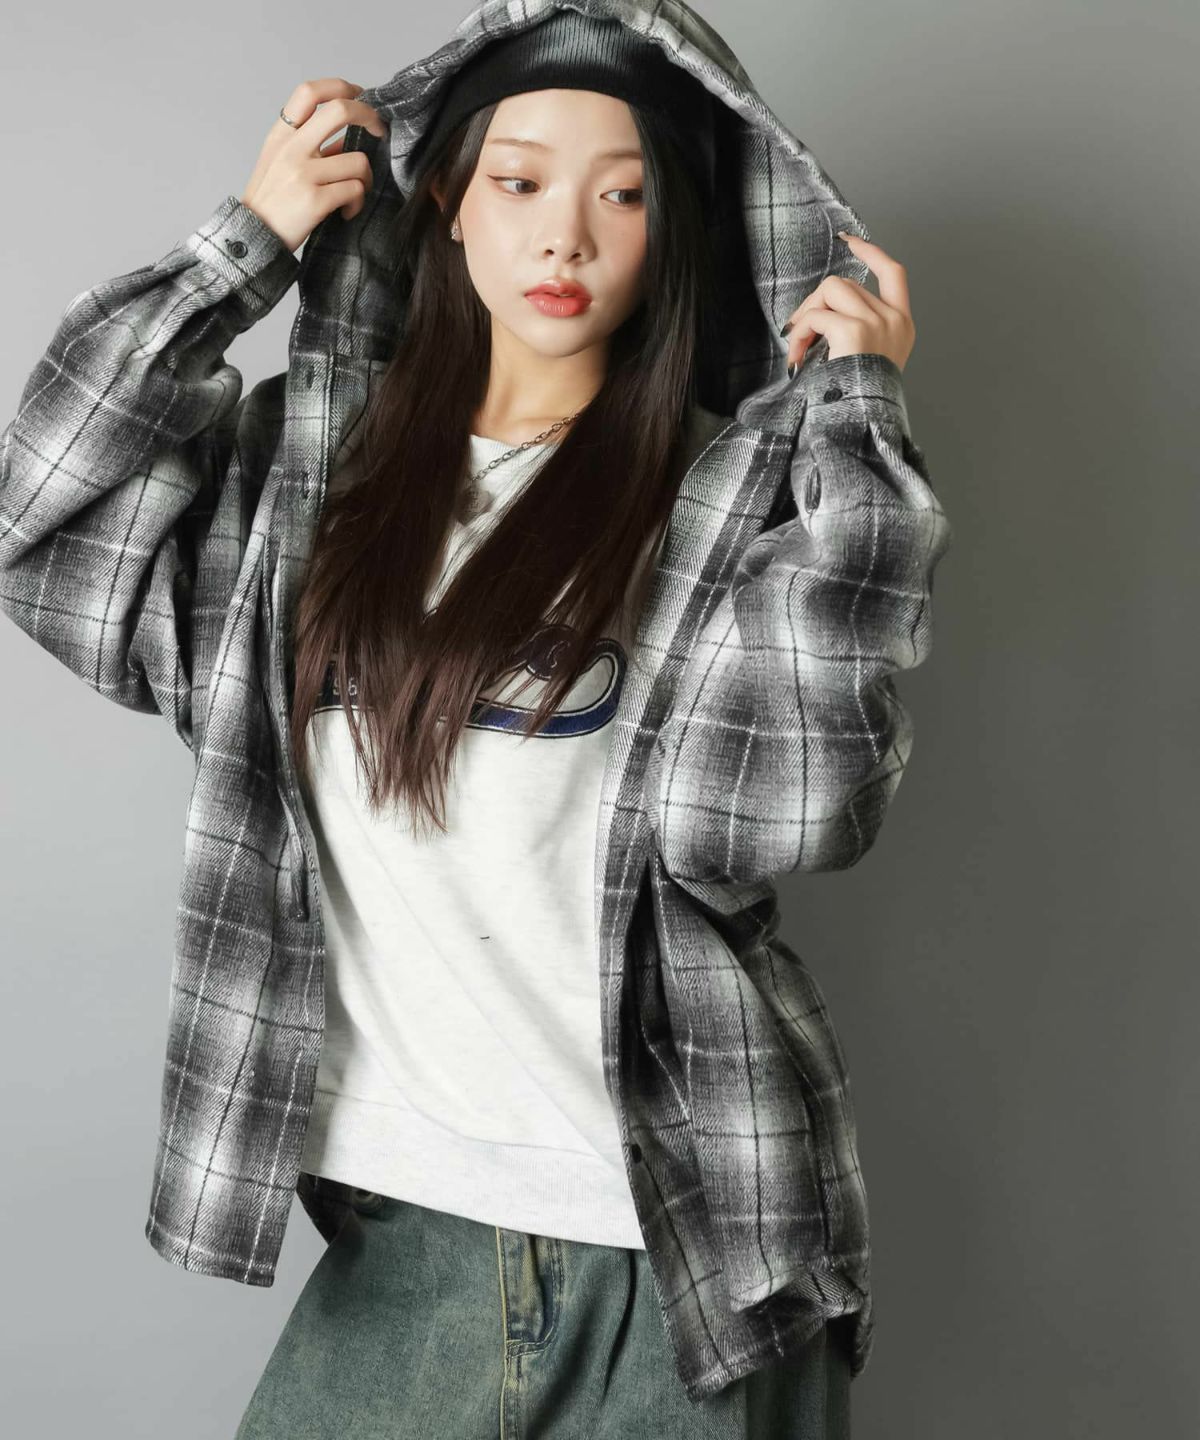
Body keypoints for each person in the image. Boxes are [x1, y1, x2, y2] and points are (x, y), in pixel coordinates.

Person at [0, 1, 952, 1435]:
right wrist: (241, 251)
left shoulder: (726, 502)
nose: (565, 237)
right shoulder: (307, 483)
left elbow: (778, 820)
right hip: (406, 1239)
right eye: (519, 181)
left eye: (624, 195)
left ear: (674, 233)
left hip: (680, 1249)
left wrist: (856, 431)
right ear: (446, 199)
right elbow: (45, 527)